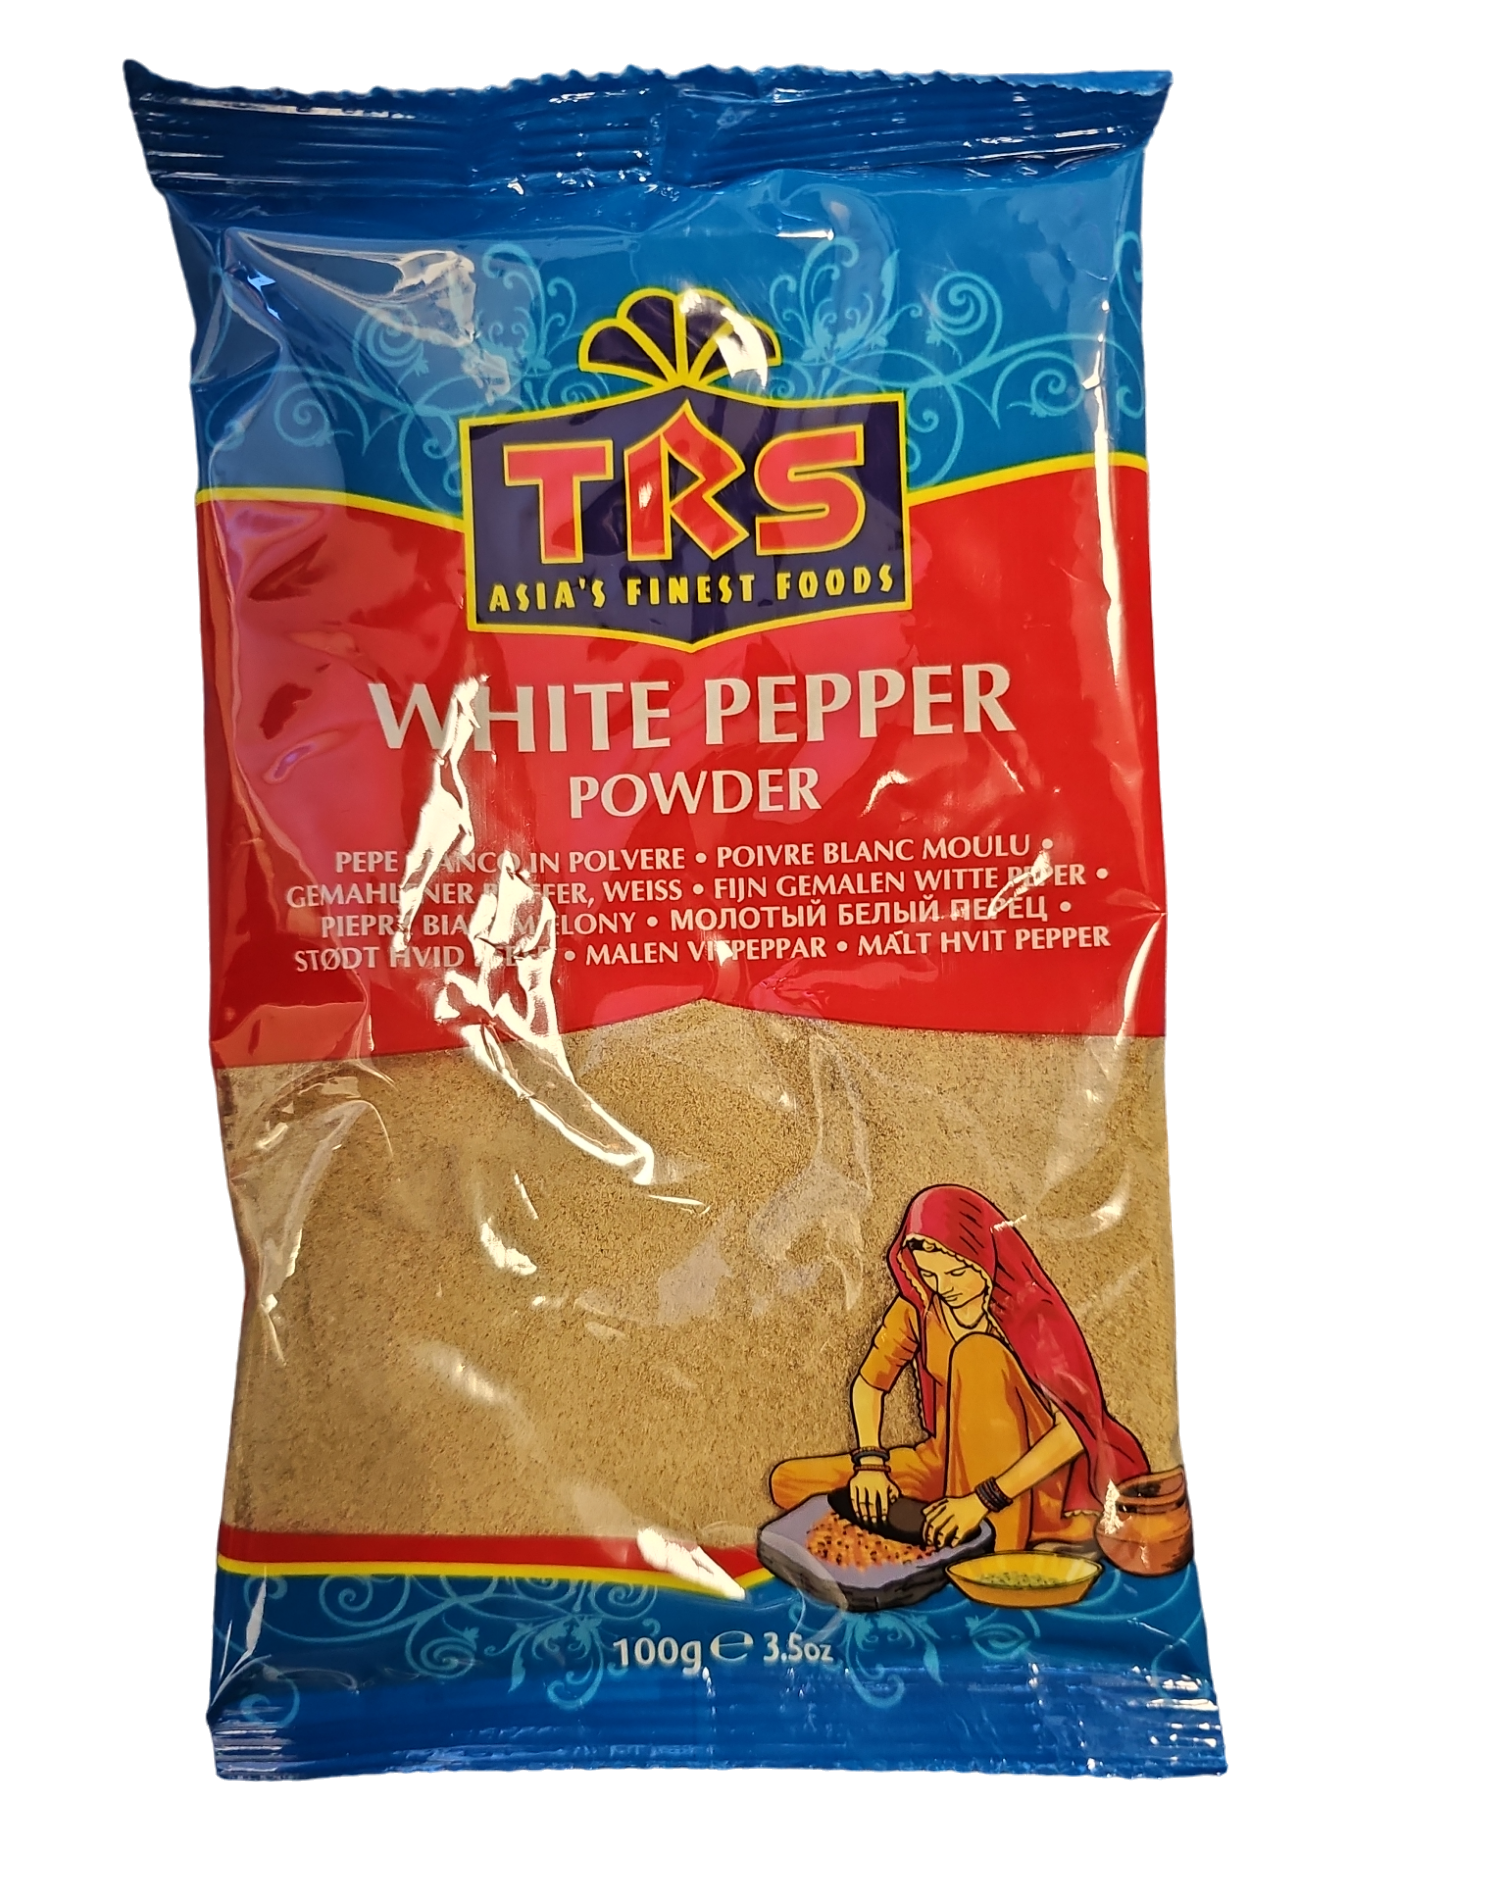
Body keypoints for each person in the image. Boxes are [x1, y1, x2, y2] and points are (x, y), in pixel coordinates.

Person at [769, 1184, 1149, 1550]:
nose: (942, 1286)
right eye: (930, 1274)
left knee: (976, 1353)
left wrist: (983, 1499)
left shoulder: (1030, 1313)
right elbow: (870, 1385)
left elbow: (1075, 1428)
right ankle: (938, 1523)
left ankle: (995, 1539)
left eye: (956, 1272)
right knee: (790, 1482)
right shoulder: (920, 1307)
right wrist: (870, 1464)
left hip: (1031, 1477)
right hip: (946, 1459)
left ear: (983, 1255)